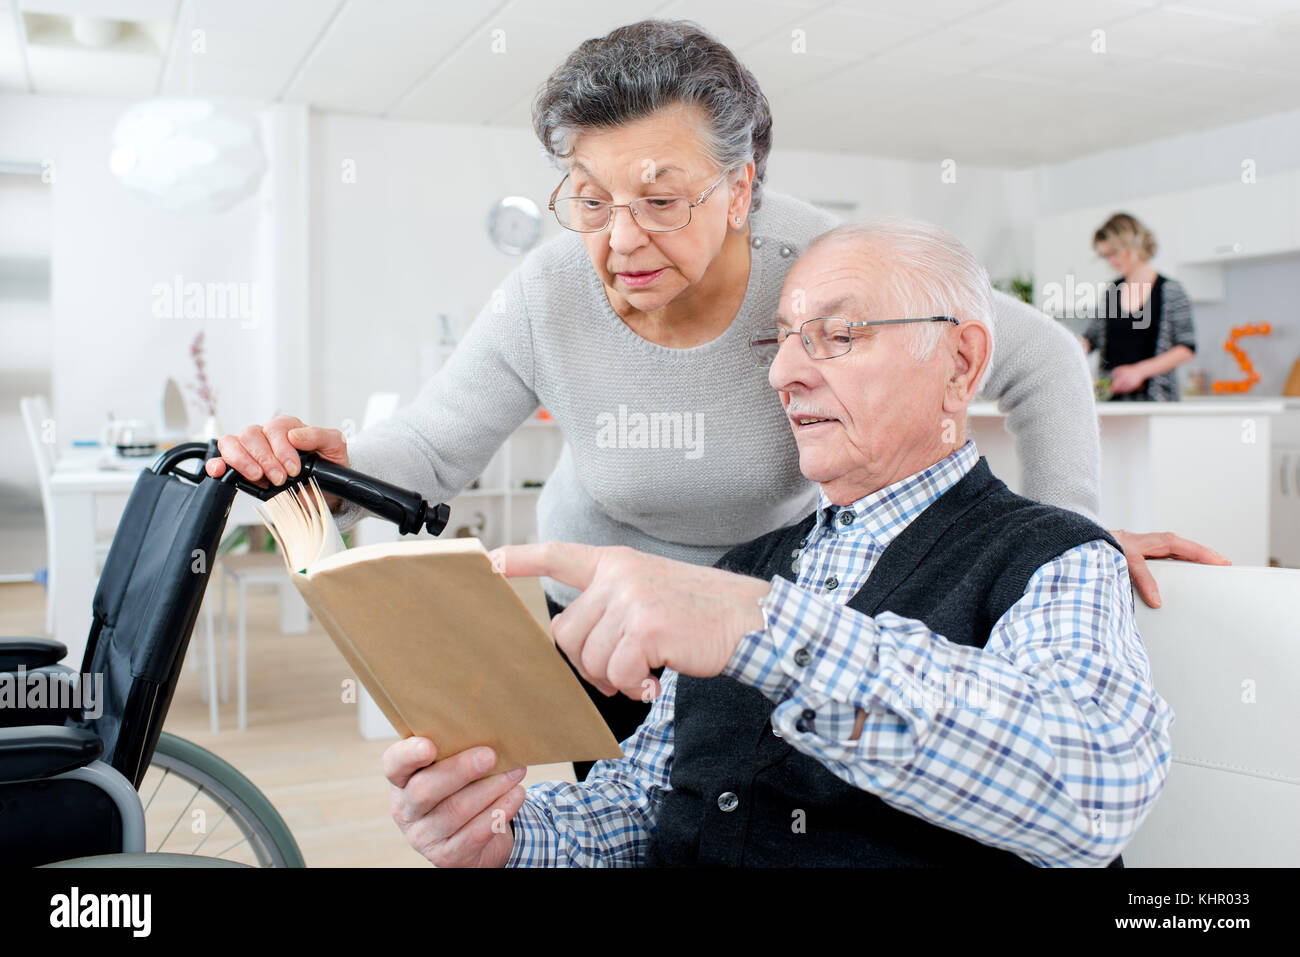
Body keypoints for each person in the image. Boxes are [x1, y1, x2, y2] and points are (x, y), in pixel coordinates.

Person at [204, 20, 1221, 779]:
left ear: (742, 191)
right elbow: (430, 445)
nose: (620, 238)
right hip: (597, 616)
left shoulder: (820, 267)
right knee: (624, 816)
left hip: (767, 608)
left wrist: (1070, 538)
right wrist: (326, 470)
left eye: (660, 198)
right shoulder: (551, 289)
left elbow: (1036, 356)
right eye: (591, 200)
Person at [383, 219, 1173, 868]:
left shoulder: (1054, 558)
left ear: (960, 362)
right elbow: (638, 805)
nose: (785, 373)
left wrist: (761, 627)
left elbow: (1094, 791)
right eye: (783, 340)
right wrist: (504, 835)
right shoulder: (744, 570)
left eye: (834, 335)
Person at [1080, 212, 1197, 400]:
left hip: (1157, 401)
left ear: (1132, 246)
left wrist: (1139, 371)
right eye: (1106, 256)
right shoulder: (1112, 290)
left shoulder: (1170, 290)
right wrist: (1070, 344)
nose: (1111, 262)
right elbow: (1091, 339)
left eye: (1114, 253)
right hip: (1111, 400)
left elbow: (1186, 347)